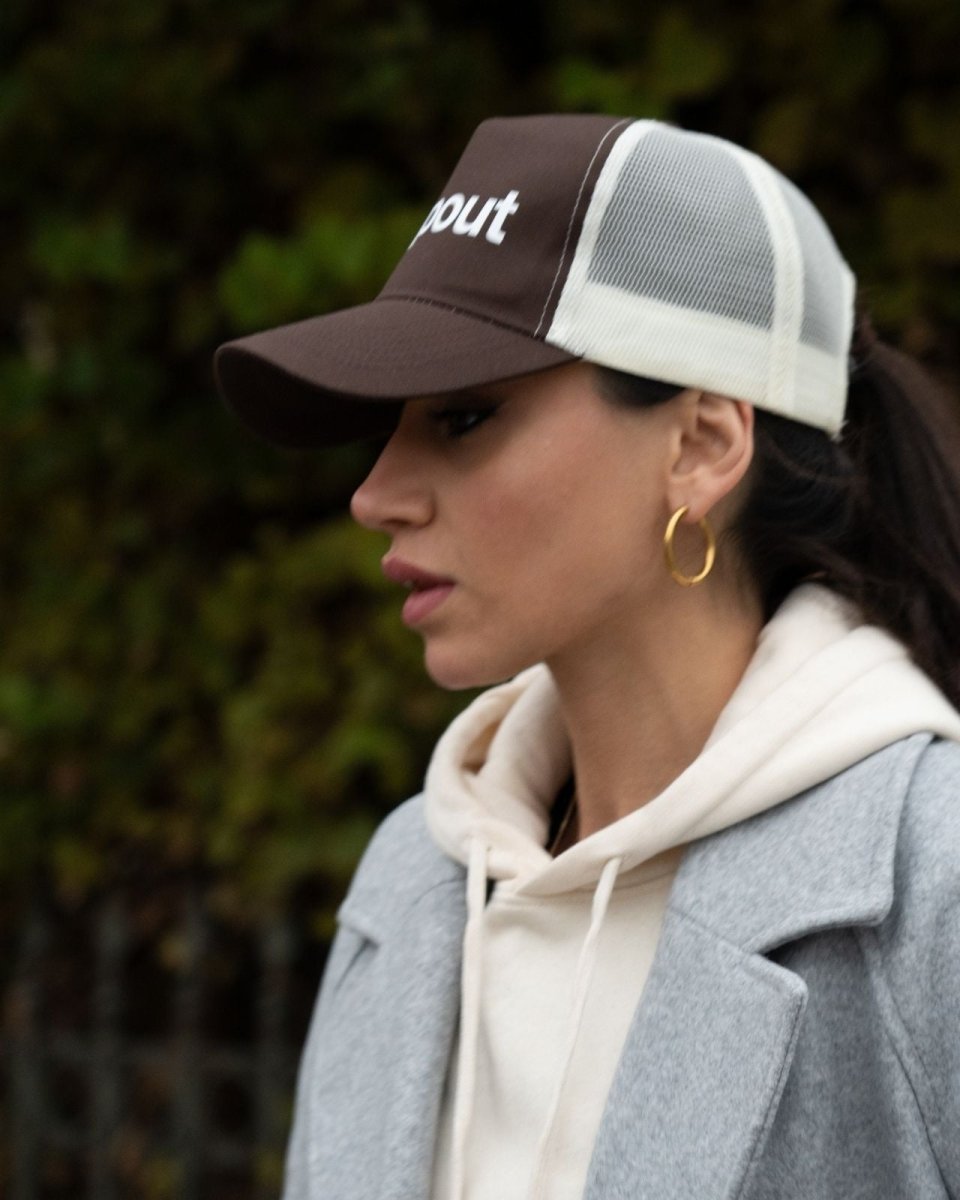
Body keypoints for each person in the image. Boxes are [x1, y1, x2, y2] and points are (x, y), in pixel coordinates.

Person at [214, 115, 960, 1200]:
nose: (375, 495)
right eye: (392, 425)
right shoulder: (410, 885)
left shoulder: (927, 885)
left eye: (463, 418)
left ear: (703, 443)